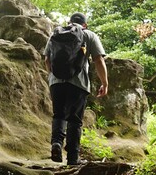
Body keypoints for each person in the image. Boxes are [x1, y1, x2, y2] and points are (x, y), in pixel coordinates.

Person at [44, 12, 108, 165]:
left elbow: (47, 59)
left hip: (56, 83)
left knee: (58, 114)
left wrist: (55, 76)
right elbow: (98, 60)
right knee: (75, 119)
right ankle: (73, 158)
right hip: (78, 83)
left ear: (70, 22)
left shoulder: (56, 34)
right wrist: (105, 83)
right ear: (85, 25)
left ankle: (56, 143)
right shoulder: (89, 35)